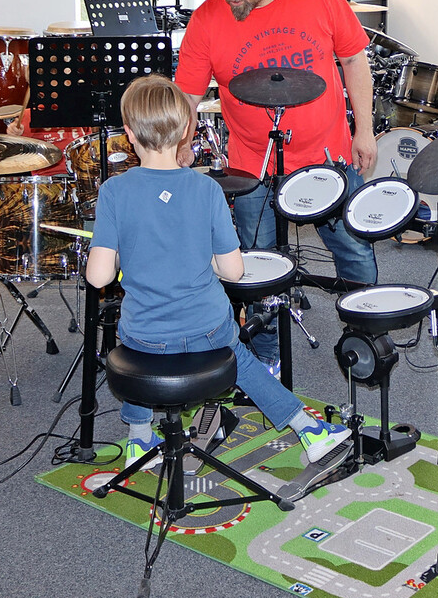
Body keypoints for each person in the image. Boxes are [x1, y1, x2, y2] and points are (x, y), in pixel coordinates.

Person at [84, 75, 352, 472]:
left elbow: (99, 277)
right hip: (207, 330)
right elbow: (233, 269)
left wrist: (129, 255)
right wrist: (202, 258)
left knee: (133, 337)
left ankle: (139, 440)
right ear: (186, 130)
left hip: (146, 335)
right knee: (240, 357)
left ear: (127, 132)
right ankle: (308, 430)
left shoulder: (114, 191)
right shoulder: (207, 190)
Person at [174, 0, 378, 372]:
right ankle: (267, 357)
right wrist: (180, 142)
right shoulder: (208, 19)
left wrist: (364, 129)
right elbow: (186, 96)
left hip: (327, 155)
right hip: (252, 162)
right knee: (255, 265)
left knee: (353, 249)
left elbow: (354, 60)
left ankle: (366, 339)